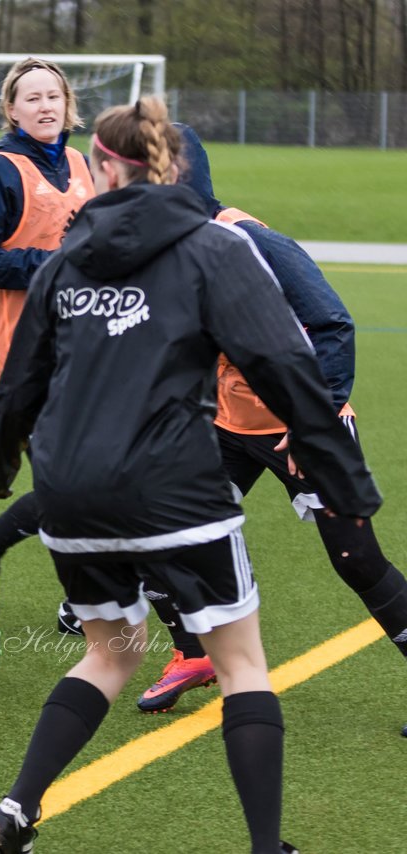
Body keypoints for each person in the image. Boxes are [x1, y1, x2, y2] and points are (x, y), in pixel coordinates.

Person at [0, 97, 379, 854]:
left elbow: (19, 386)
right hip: (172, 486)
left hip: (69, 489)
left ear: (107, 169)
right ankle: (266, 847)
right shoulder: (213, 250)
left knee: (110, 652)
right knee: (243, 663)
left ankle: (16, 811)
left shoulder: (65, 260)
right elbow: (284, 366)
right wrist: (342, 475)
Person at [131, 124, 407, 723]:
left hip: (302, 423)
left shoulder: (248, 239)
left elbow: (332, 324)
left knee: (356, 560)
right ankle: (193, 653)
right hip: (227, 426)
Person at [0, 56, 93, 632]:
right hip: (31, 354)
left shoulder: (83, 162)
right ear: (11, 109)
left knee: (95, 478)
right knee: (77, 482)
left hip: (93, 345)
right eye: (31, 98)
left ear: (68, 105)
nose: (45, 106)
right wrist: (56, 265)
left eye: (53, 96)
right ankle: (75, 594)